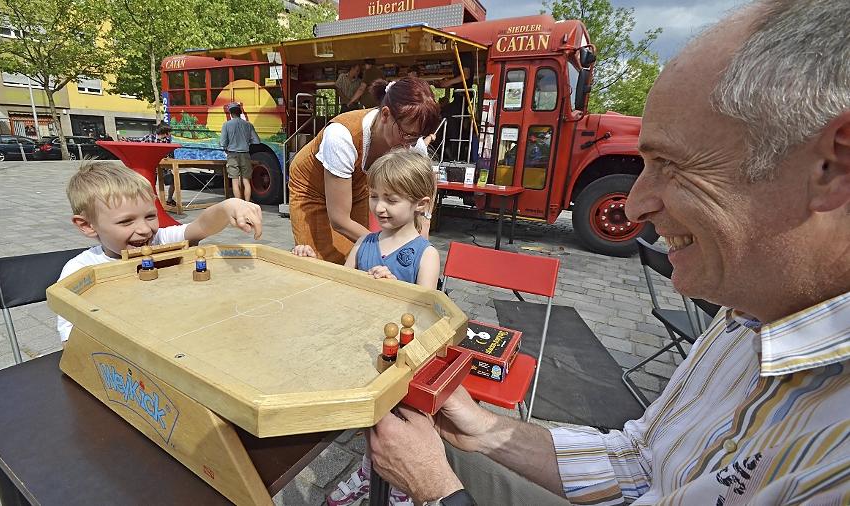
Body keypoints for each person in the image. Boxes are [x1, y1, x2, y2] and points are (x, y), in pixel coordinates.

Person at [367, 1, 850, 504]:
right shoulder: (746, 317)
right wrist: (483, 429)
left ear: (832, 168)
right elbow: (638, 460)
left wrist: (437, 491)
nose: (637, 204)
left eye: (672, 164)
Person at [293, 149, 440, 506]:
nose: (379, 207)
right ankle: (368, 468)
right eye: (374, 196)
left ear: (420, 203)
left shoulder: (426, 254)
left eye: (391, 199)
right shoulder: (364, 243)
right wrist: (312, 260)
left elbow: (424, 311)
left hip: (402, 359)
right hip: (362, 348)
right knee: (370, 420)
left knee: (399, 422)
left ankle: (403, 484)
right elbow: (340, 284)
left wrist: (396, 287)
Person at [56, 161, 264, 342]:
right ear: (87, 225)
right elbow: (71, 342)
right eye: (126, 221)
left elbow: (202, 226)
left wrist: (229, 206)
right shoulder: (79, 271)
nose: (145, 229)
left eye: (149, 216)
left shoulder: (160, 240)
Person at [288, 77, 441, 264]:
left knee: (361, 254)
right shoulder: (341, 136)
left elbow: (428, 180)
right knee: (322, 262)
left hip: (358, 187)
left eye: (417, 136)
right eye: (407, 134)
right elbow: (339, 221)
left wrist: (424, 222)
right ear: (385, 115)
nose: (410, 144)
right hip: (312, 190)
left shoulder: (411, 139)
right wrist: (390, 247)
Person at [220, 104, 261, 202]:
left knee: (234, 181)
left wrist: (226, 146)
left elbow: (223, 142)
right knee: (246, 180)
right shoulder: (248, 125)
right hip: (245, 154)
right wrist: (247, 142)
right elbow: (257, 141)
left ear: (231, 113)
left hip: (232, 154)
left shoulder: (226, 124)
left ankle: (239, 205)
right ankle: (247, 203)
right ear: (240, 113)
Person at [141, 124, 176, 205]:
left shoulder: (167, 141)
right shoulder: (149, 138)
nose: (170, 134)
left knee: (173, 182)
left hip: (163, 167)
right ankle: (150, 202)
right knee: (150, 185)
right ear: (166, 132)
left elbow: (169, 154)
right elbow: (140, 149)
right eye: (169, 132)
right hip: (151, 166)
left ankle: (169, 200)